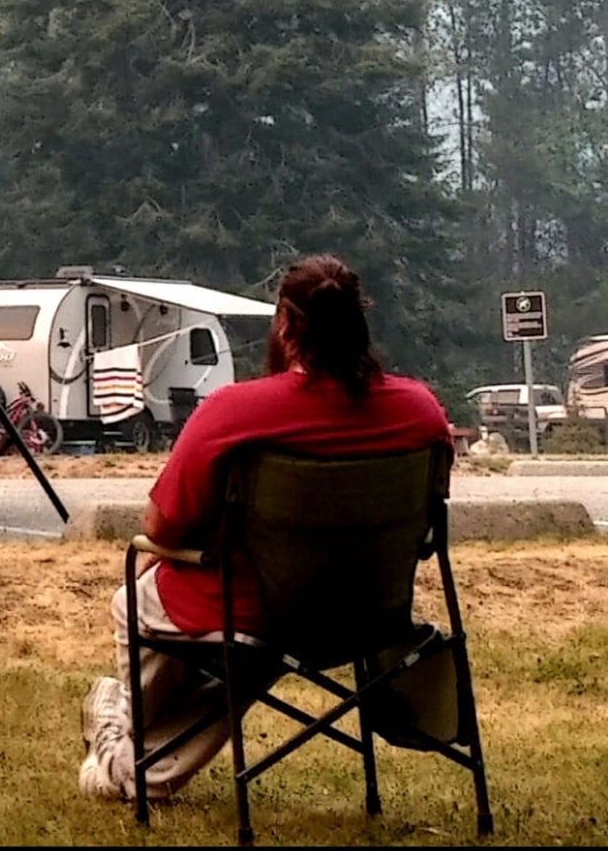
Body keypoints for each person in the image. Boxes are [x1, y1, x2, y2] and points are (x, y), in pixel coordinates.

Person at [77, 254, 451, 801]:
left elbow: (161, 526)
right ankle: (134, 755)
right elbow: (428, 522)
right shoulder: (420, 411)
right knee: (247, 654)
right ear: (359, 323)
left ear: (286, 326)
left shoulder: (236, 411)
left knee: (140, 600)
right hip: (367, 614)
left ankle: (121, 736)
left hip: (254, 612)